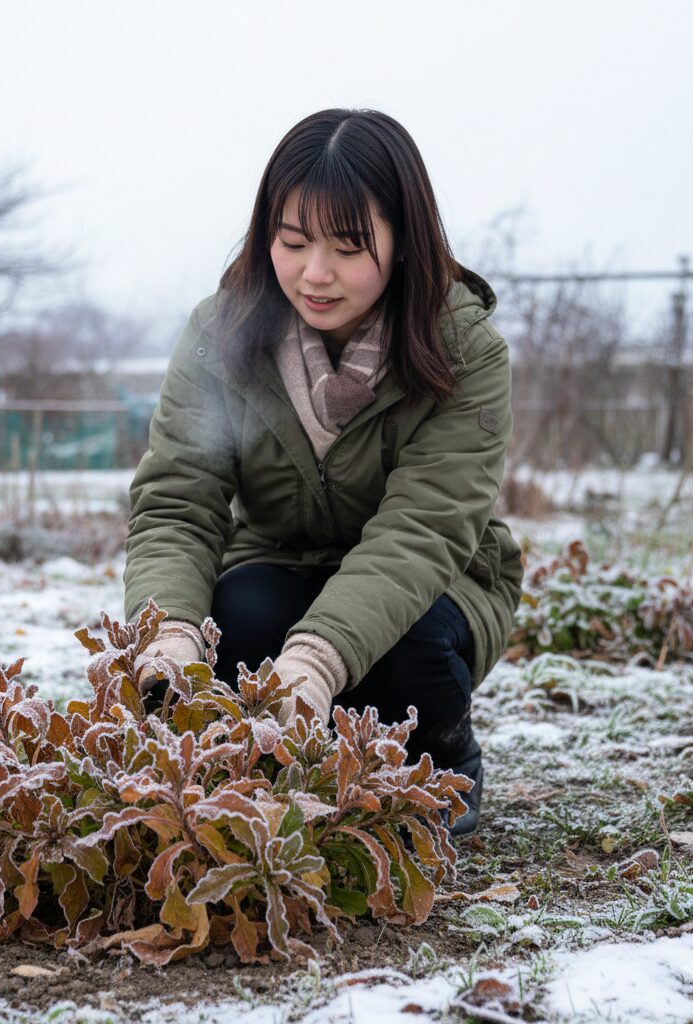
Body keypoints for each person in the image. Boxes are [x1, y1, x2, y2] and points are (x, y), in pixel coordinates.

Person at [123, 108, 523, 835]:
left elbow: (424, 529)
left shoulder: (462, 348)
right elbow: (179, 501)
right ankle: (316, 756)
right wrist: (170, 633)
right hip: (279, 561)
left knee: (403, 655)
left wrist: (317, 660)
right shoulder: (222, 337)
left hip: (438, 582)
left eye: (347, 246)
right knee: (235, 631)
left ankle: (443, 754)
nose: (315, 273)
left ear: (403, 240)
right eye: (294, 241)